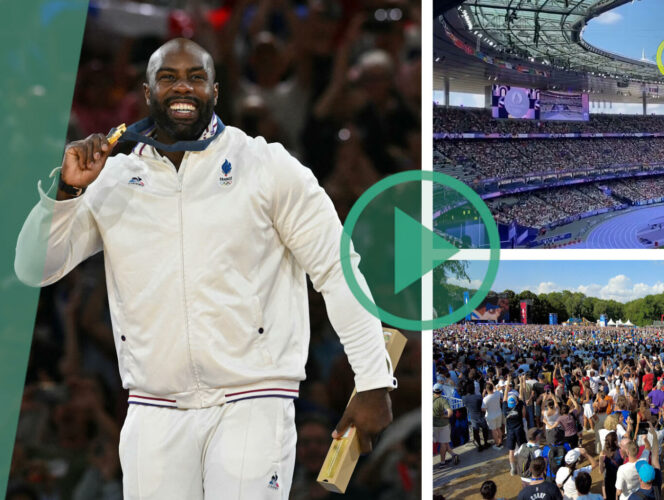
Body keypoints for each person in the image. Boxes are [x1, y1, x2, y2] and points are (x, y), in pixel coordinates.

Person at [16, 38, 398, 500]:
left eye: (196, 77)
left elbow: (338, 271)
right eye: (169, 78)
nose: (183, 88)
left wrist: (374, 379)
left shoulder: (268, 166)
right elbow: (34, 269)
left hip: (252, 399)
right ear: (147, 91)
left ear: (215, 92)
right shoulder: (112, 180)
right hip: (153, 406)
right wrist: (64, 195)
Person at [433, 383, 459, 467]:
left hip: (433, 425)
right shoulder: (443, 400)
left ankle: (453, 454)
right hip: (443, 425)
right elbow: (450, 413)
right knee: (443, 443)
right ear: (441, 391)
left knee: (443, 443)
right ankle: (442, 462)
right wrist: (445, 416)